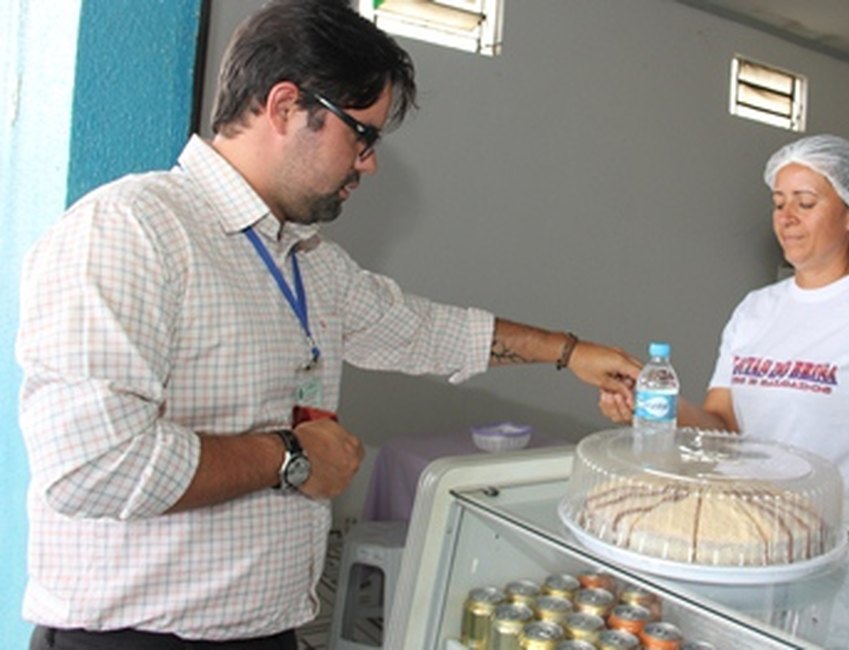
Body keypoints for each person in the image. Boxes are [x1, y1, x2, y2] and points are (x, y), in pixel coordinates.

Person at [15, 1, 640, 647]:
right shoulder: (131, 231)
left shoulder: (306, 261)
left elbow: (423, 331)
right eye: (361, 134)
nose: (368, 163)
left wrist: (569, 352)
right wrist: (289, 457)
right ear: (285, 107)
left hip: (265, 632)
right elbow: (94, 465)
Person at [601, 134, 849, 501]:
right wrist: (656, 407)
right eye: (779, 203)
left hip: (839, 523)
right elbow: (723, 431)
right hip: (752, 514)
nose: (786, 218)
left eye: (806, 202)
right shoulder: (755, 308)